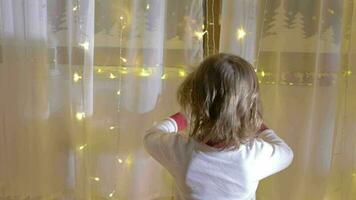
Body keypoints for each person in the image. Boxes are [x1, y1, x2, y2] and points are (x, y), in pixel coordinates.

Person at [143, 53, 293, 200]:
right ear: (249, 108)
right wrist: (258, 125)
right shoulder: (254, 157)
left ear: (194, 101)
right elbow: (286, 153)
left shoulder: (180, 151)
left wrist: (185, 116)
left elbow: (150, 136)